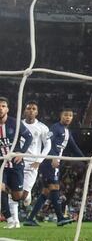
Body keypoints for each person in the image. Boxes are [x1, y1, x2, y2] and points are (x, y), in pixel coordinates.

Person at [24, 107, 81, 227]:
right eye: (66, 115)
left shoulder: (67, 131)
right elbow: (47, 141)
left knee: (46, 192)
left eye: (70, 115)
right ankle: (60, 218)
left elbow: (74, 147)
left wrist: (86, 159)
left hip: (55, 162)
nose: (68, 117)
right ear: (61, 115)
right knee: (55, 187)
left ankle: (30, 219)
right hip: (49, 162)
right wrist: (53, 156)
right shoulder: (55, 128)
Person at [10, 101, 50, 229]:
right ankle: (15, 221)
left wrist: (39, 160)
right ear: (24, 111)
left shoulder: (43, 127)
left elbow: (48, 145)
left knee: (23, 196)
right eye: (29, 108)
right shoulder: (17, 125)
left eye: (34, 109)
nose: (31, 111)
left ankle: (28, 195)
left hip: (32, 164)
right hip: (17, 161)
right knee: (13, 192)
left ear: (37, 112)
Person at [0, 97, 32, 230]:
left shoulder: (15, 123)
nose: (0, 108)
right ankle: (10, 219)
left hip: (16, 164)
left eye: (3, 106)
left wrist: (22, 152)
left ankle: (26, 194)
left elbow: (29, 136)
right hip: (1, 164)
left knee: (17, 196)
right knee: (0, 188)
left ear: (7, 109)